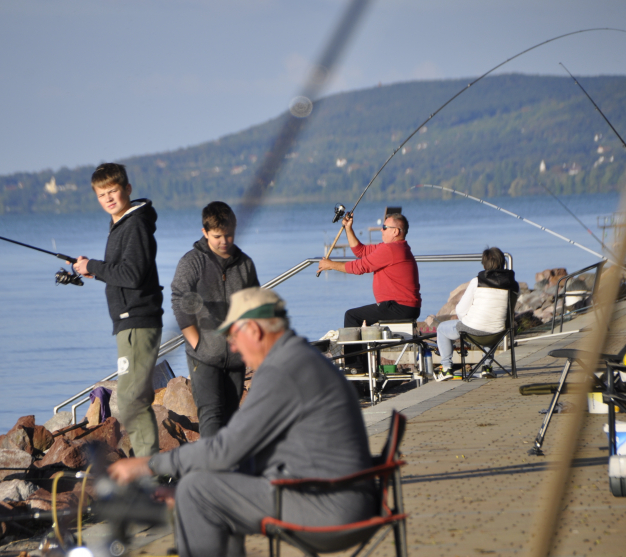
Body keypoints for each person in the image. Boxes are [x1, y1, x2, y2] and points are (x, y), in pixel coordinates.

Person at [108, 288, 375, 557]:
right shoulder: (300, 358)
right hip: (336, 497)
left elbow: (224, 450)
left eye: (234, 337)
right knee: (201, 489)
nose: (232, 347)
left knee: (196, 490)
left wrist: (148, 464)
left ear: (255, 331)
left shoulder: (282, 371)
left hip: (330, 509)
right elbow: (246, 452)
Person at [74, 163, 164, 457]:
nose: (108, 198)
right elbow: (124, 271)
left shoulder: (134, 225)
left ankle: (150, 470)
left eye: (113, 191)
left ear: (127, 189)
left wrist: (95, 267)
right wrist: (94, 270)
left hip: (138, 320)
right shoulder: (122, 224)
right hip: (129, 322)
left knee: (130, 399)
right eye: (102, 195)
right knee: (131, 397)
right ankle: (147, 466)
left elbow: (133, 275)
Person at [170, 202, 259, 438]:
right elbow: (179, 300)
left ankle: (229, 468)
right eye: (217, 236)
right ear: (205, 233)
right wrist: (196, 341)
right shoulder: (192, 262)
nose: (224, 241)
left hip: (236, 355)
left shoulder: (245, 264)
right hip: (203, 356)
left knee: (231, 417)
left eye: (228, 235)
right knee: (210, 414)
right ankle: (210, 469)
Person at [317, 212, 421, 371]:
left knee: (352, 317)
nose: (381, 230)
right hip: (399, 305)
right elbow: (360, 252)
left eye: (385, 227)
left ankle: (356, 369)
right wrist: (348, 228)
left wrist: (331, 265)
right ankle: (364, 368)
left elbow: (360, 267)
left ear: (396, 231)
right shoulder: (391, 248)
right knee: (357, 318)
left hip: (399, 306)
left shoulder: (392, 250)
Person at [435, 247, 519, 380]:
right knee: (492, 323)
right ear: (502, 262)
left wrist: (466, 322)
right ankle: (487, 367)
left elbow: (460, 310)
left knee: (441, 329)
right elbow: (509, 313)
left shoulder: (478, 282)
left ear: (484, 264)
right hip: (498, 333)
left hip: (472, 331)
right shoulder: (514, 285)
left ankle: (446, 369)